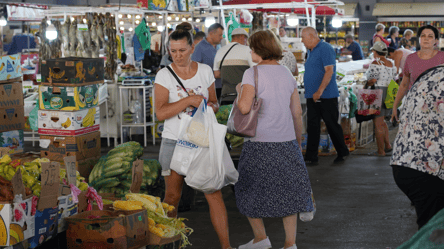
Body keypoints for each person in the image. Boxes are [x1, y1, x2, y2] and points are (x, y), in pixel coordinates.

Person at [154, 27, 233, 249]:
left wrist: (208, 105)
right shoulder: (163, 75)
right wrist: (188, 101)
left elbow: (215, 104)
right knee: (171, 198)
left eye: (182, 50)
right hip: (173, 141)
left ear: (192, 48)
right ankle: (169, 245)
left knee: (213, 193)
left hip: (201, 142)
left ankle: (226, 246)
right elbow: (160, 113)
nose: (177, 55)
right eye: (173, 51)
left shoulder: (205, 71)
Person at [234, 30, 313, 249]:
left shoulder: (251, 74)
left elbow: (244, 107)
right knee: (288, 193)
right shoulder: (287, 74)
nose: (250, 52)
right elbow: (297, 113)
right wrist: (298, 141)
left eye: (251, 48)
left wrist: (240, 90)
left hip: (259, 142)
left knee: (248, 188)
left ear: (259, 49)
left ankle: (261, 238)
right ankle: (290, 243)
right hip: (286, 142)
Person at [390, 59, 444, 230]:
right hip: (427, 168)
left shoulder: (434, 73)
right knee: (433, 231)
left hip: (405, 163)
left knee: (431, 228)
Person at [301, 27, 350, 165]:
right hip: (312, 95)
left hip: (325, 95)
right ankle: (311, 157)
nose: (302, 41)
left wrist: (320, 91)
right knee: (312, 126)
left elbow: (329, 71)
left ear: (311, 36)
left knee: (331, 124)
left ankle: (343, 151)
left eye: (303, 38)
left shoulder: (325, 48)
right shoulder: (310, 51)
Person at [391, 25, 444, 123]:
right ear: (419, 39)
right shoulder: (411, 59)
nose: (426, 39)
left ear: (436, 40)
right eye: (423, 36)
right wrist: (395, 106)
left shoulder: (442, 57)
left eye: (430, 36)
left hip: (438, 110)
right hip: (415, 108)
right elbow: (404, 85)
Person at [365, 41, 397, 157]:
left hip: (378, 92)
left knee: (378, 123)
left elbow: (373, 80)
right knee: (382, 122)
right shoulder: (390, 63)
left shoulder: (375, 62)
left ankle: (380, 151)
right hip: (388, 93)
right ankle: (387, 145)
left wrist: (366, 83)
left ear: (375, 52)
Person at [213, 28, 255, 105]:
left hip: (225, 97)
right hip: (243, 97)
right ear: (243, 37)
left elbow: (216, 74)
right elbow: (255, 71)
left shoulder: (220, 51)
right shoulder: (247, 50)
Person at [192, 23, 224, 99]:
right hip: (207, 88)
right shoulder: (199, 47)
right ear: (211, 33)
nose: (221, 38)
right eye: (220, 35)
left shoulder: (219, 46)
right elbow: (194, 67)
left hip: (220, 86)